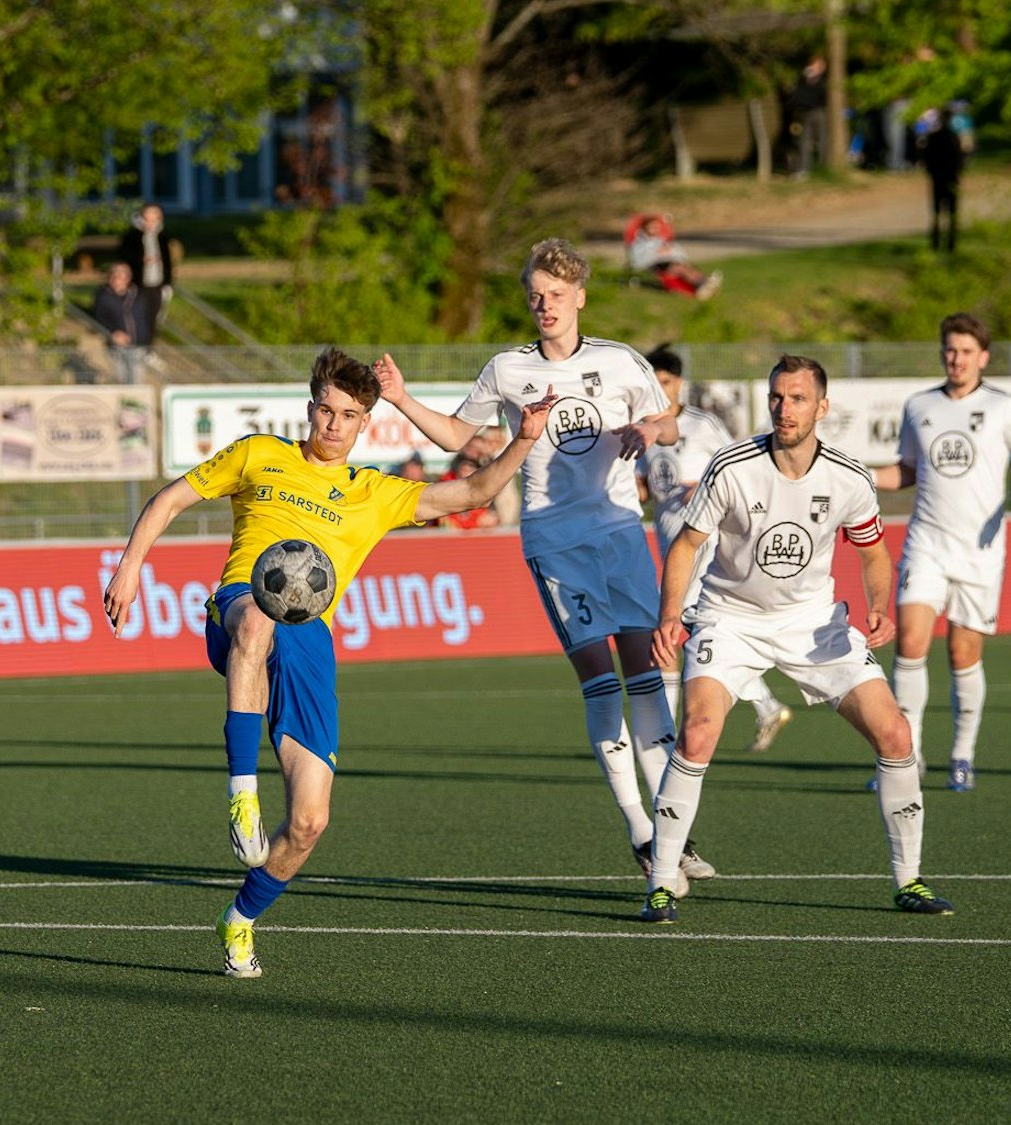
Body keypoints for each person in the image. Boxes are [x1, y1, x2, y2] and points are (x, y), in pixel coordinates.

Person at [102, 348, 554, 977]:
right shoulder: (259, 454)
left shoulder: (373, 492)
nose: (334, 424)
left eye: (349, 415)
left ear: (364, 422)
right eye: (326, 409)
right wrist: (129, 566)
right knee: (261, 614)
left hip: (310, 640)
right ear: (309, 407)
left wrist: (526, 439)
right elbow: (170, 500)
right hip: (238, 608)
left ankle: (240, 920)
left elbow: (474, 490)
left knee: (311, 822)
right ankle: (241, 794)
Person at [374, 238, 718, 897]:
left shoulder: (621, 363)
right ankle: (643, 832)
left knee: (646, 676)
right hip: (556, 541)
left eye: (556, 294)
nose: (544, 305)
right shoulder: (507, 369)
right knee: (598, 678)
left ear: (580, 297)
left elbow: (669, 422)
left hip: (620, 534)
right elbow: (459, 436)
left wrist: (651, 432)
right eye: (535, 294)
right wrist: (400, 398)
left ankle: (672, 834)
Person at [643, 355, 953, 924]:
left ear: (822, 407)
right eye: (778, 398)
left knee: (895, 731)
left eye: (798, 399)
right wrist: (671, 618)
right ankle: (662, 881)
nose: (785, 410)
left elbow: (874, 550)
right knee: (699, 731)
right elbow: (686, 545)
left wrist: (880, 605)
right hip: (730, 618)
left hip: (814, 624)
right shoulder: (731, 467)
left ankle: (909, 880)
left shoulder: (848, 477)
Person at [872, 313, 1011, 792]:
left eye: (967, 351)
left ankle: (962, 756)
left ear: (984, 357)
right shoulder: (919, 406)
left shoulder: (1002, 407)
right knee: (910, 643)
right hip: (926, 543)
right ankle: (904, 755)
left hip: (980, 551)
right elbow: (905, 471)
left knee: (961, 653)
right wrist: (860, 475)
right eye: (950, 349)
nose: (957, 359)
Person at [636, 345, 795, 752]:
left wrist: (704, 486)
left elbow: (736, 465)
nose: (660, 390)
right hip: (670, 545)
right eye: (652, 383)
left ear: (679, 384)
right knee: (699, 635)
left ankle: (663, 738)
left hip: (705, 543)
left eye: (666, 382)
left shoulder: (702, 424)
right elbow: (645, 484)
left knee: (677, 629)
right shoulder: (646, 431)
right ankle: (766, 704)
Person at [623, 213, 722, 300]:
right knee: (679, 269)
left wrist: (670, 251)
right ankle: (702, 283)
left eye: (656, 227)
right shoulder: (640, 243)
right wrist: (659, 252)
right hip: (656, 265)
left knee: (685, 267)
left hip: (670, 262)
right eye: (652, 227)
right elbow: (638, 258)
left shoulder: (661, 240)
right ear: (645, 228)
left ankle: (704, 283)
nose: (655, 229)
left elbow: (677, 251)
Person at [117, 203, 175, 345]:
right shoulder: (133, 235)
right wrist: (141, 260)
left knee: (154, 317)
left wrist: (168, 282)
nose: (151, 218)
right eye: (149, 214)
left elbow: (168, 261)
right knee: (137, 316)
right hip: (138, 283)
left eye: (155, 214)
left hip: (157, 283)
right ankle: (137, 345)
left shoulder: (162, 235)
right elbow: (123, 256)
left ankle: (149, 347)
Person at [90, 262, 150, 383]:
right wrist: (113, 333)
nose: (116, 280)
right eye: (113, 276)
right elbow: (98, 319)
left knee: (137, 380)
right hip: (117, 347)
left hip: (139, 346)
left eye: (120, 277)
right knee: (122, 379)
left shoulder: (138, 295)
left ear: (127, 278)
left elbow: (146, 318)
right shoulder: (103, 297)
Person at [923, 108, 964, 253]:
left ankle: (938, 241)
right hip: (949, 177)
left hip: (939, 177)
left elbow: (927, 158)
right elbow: (960, 160)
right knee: (949, 211)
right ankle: (949, 241)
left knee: (938, 211)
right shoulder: (953, 137)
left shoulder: (934, 137)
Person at [435, 454, 500, 530]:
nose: (463, 474)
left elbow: (489, 518)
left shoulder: (483, 488)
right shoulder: (445, 486)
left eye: (468, 471)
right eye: (462, 470)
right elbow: (444, 519)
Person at [789, 55, 828, 177]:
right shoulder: (803, 79)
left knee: (822, 139)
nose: (815, 68)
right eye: (814, 65)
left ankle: (823, 167)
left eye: (818, 65)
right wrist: (805, 77)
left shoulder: (824, 80)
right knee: (804, 140)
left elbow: (823, 95)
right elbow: (797, 93)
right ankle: (804, 169)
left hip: (818, 111)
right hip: (804, 112)